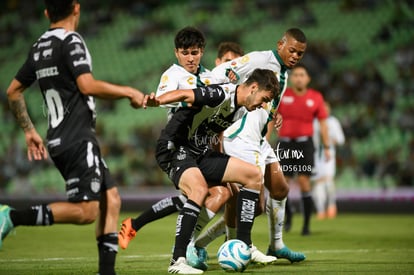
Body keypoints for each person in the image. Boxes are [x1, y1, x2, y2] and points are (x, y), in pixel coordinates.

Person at [0, 1, 145, 274]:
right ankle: (12, 216)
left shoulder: (39, 46)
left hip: (59, 136)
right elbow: (86, 85)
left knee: (111, 198)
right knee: (86, 212)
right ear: (76, 8)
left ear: (46, 13)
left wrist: (29, 130)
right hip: (77, 137)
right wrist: (128, 92)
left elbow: (13, 91)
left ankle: (106, 271)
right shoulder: (71, 41)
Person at [118, 28, 242, 263]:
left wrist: (231, 82)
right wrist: (156, 101)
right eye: (185, 53)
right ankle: (182, 250)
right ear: (176, 53)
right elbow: (169, 97)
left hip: (202, 147)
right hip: (178, 146)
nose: (190, 58)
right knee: (196, 194)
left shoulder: (211, 76)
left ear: (202, 51)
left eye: (194, 52)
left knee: (218, 193)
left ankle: (140, 226)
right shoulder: (172, 75)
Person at [190, 28, 308, 267]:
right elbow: (222, 71)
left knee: (280, 189)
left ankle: (275, 244)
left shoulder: (283, 70)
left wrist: (272, 114)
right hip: (241, 137)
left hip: (260, 139)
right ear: (280, 44)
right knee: (249, 204)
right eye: (292, 50)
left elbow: (268, 98)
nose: (295, 56)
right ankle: (218, 245)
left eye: (300, 53)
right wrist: (219, 100)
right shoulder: (259, 59)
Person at [144, 68, 279, 274]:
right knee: (199, 190)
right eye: (264, 99)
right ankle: (177, 260)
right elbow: (185, 94)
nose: (263, 105)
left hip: (199, 152)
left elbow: (213, 130)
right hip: (174, 147)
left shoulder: (242, 108)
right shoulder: (221, 94)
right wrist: (158, 100)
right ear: (253, 88)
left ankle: (244, 245)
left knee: (253, 175)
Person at [276, 64, 330, 235]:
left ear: (308, 79)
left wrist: (327, 146)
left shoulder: (315, 97)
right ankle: (289, 216)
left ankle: (306, 225)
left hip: (305, 144)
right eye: (296, 74)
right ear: (291, 78)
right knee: (283, 185)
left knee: (304, 183)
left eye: (302, 75)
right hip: (285, 144)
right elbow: (272, 119)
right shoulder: (283, 95)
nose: (299, 77)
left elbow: (323, 124)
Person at [312, 101, 345, 219]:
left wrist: (329, 141)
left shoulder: (333, 122)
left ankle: (331, 206)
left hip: (329, 154)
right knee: (318, 182)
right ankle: (320, 209)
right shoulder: (314, 122)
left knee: (328, 180)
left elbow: (341, 139)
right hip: (315, 155)